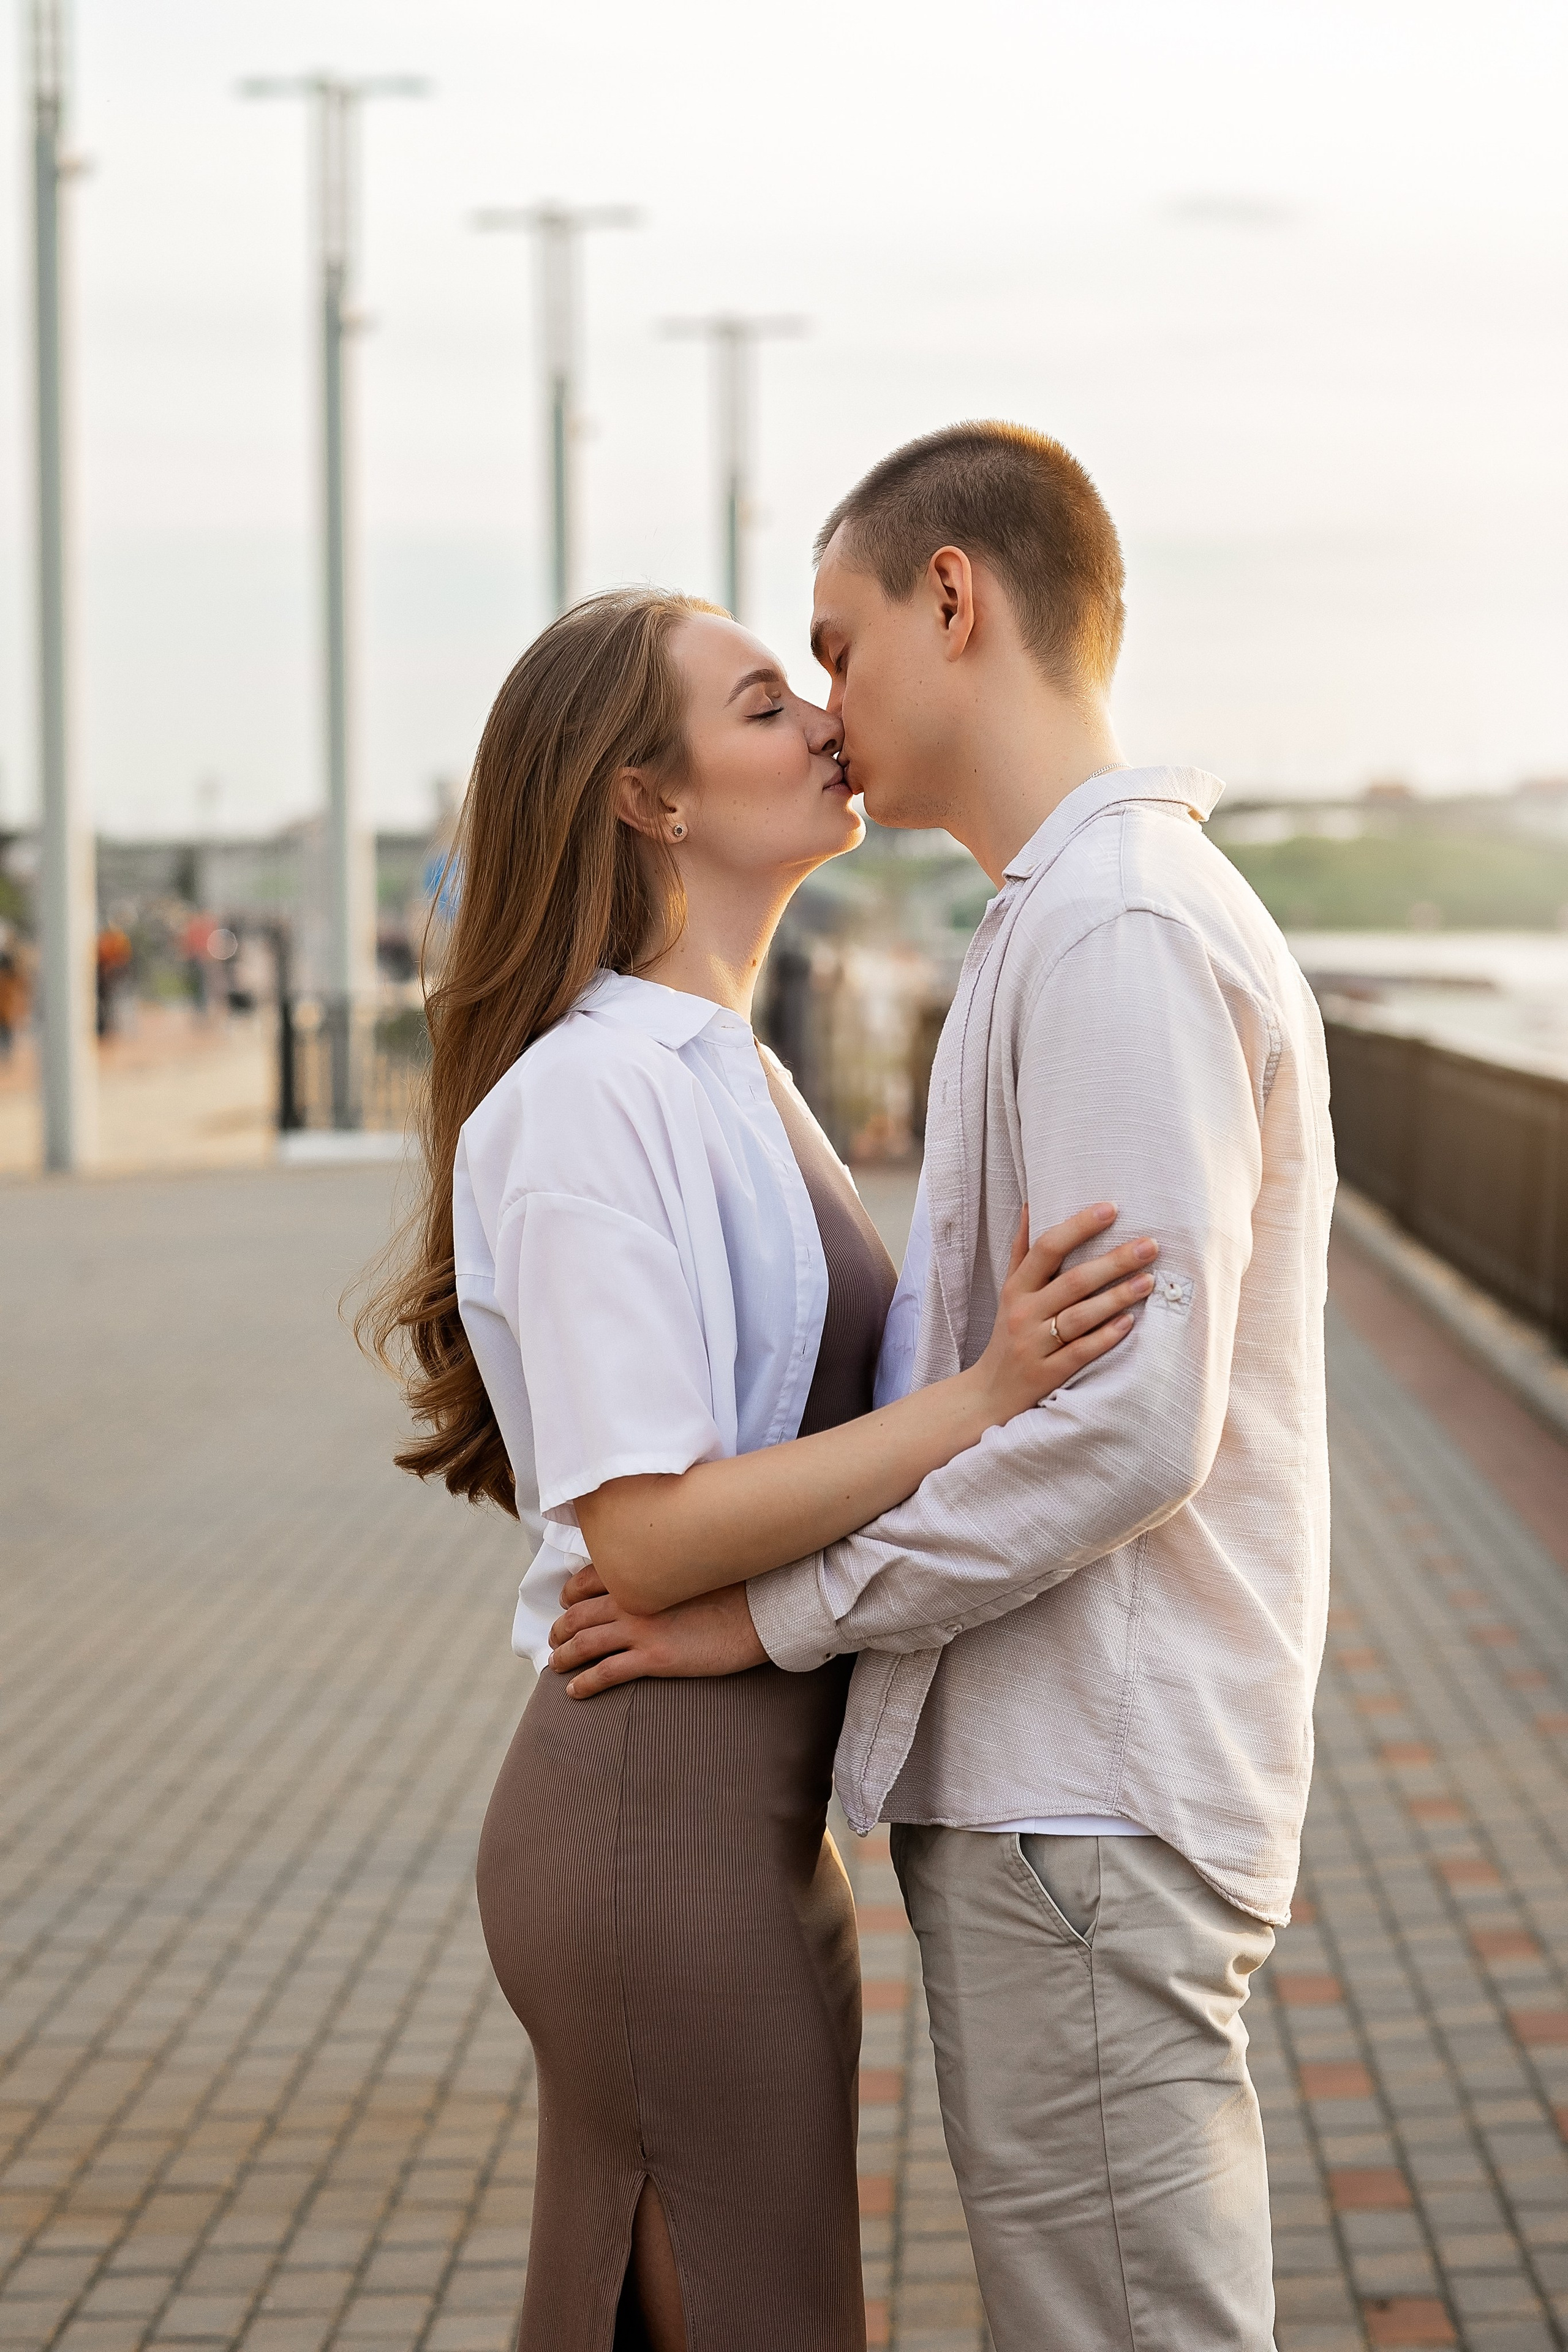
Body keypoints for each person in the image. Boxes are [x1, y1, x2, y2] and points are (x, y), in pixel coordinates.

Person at [549, 424, 1338, 2352]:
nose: (828, 703)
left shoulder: (1117, 926)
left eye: (838, 641)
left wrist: (780, 1615)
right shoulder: (1070, 916)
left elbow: (1126, 1425)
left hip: (1095, 1796)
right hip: (1070, 1796)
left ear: (955, 600)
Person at [363, 586, 1158, 2352]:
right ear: (650, 797)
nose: (820, 719)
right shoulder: (588, 1102)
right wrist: (982, 1397)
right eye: (757, 703)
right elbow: (644, 1541)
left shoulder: (729, 1069)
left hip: (733, 1820)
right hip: (657, 1814)